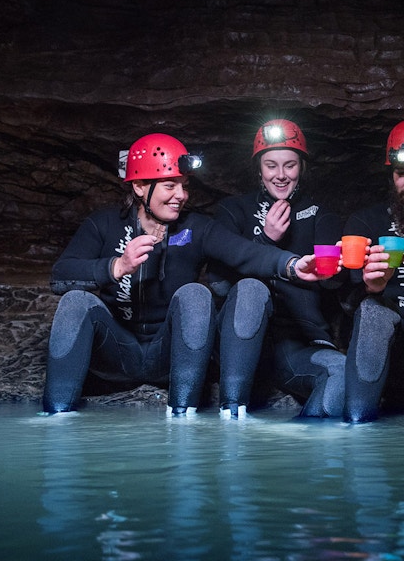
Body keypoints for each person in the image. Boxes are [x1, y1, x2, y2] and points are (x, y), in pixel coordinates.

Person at [42, 132, 329, 416]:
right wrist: (115, 266)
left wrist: (291, 265)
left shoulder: (196, 228)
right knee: (76, 301)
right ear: (140, 186)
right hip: (118, 351)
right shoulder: (103, 224)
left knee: (195, 293)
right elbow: (61, 274)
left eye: (184, 185)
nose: (181, 196)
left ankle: (183, 413)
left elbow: (245, 253)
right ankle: (56, 415)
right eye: (170, 186)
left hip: (171, 356)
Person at [208, 119, 346, 419]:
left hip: (296, 344)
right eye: (271, 165)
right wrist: (265, 238)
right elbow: (218, 283)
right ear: (259, 168)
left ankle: (297, 451)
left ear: (302, 169)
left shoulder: (321, 214)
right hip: (238, 347)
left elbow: (335, 286)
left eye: (290, 165)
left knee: (342, 374)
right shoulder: (234, 210)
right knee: (250, 289)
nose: (281, 175)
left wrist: (337, 272)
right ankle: (231, 420)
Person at [342, 120, 404, 423]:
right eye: (402, 174)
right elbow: (345, 305)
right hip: (392, 355)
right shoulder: (366, 223)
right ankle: (358, 435)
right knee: (374, 312)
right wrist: (373, 287)